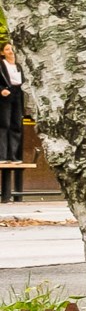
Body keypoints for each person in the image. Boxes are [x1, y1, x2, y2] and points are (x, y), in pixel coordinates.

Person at [0, 43, 24, 203]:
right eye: (7, 49)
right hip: (5, 94)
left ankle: (14, 155)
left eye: (12, 49)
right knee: (4, 125)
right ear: (2, 52)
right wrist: (1, 89)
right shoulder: (1, 66)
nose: (11, 52)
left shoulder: (20, 65)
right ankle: (2, 155)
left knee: (16, 125)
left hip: (17, 93)